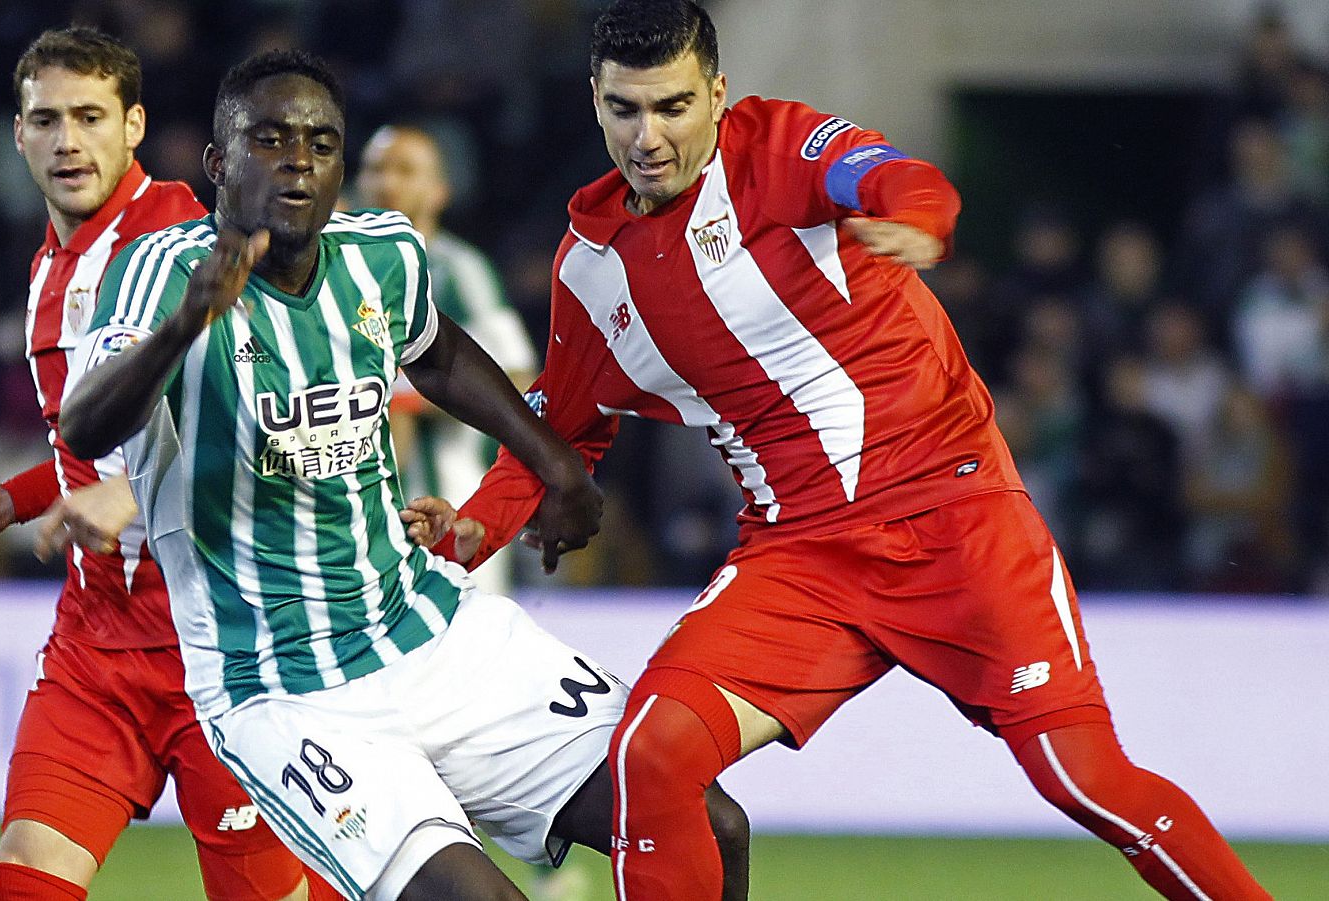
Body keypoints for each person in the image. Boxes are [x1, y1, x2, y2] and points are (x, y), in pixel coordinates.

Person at [434, 2, 1274, 899]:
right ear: (594, 102)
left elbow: (900, 177)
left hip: (955, 520)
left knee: (1086, 780)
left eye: (674, 107)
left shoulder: (777, 147)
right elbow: (551, 433)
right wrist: (465, 534)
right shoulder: (591, 266)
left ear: (717, 96)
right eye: (625, 109)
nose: (649, 135)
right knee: (654, 749)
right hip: (801, 559)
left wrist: (919, 221)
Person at [59, 49, 748, 901]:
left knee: (707, 825)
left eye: (319, 142)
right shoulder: (157, 275)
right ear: (217, 163)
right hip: (281, 688)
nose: (297, 161)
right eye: (268, 140)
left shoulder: (381, 254)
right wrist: (184, 327)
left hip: (431, 631)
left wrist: (552, 461)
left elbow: (440, 352)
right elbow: (86, 424)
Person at [0, 28, 332, 901]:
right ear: (18, 135)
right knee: (27, 875)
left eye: (90, 117)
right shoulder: (47, 269)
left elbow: (277, 414)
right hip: (100, 640)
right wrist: (14, 497)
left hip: (226, 641)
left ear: (134, 124)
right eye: (47, 120)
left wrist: (129, 489)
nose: (68, 140)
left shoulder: (194, 241)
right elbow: (99, 442)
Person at [356, 123, 538, 596]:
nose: (386, 182)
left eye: (405, 170)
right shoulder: (337, 269)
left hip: (452, 492)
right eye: (375, 169)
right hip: (360, 504)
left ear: (439, 192)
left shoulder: (458, 270)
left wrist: (409, 401)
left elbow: (518, 375)